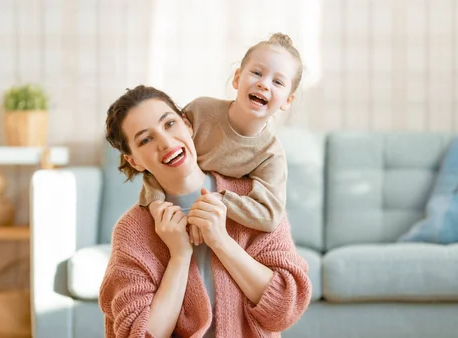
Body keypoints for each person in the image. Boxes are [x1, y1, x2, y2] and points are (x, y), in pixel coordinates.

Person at [99, 85, 311, 337]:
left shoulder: (253, 202)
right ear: (134, 160)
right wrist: (179, 255)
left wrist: (221, 241)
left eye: (169, 124)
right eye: (146, 139)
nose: (166, 142)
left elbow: (285, 309)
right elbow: (139, 334)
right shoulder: (133, 230)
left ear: (187, 124)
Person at [139, 33, 303, 245]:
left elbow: (270, 215)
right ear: (237, 78)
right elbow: (160, 154)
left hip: (213, 228)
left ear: (287, 100)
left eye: (277, 82)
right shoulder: (199, 111)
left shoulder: (270, 154)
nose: (264, 84)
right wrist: (153, 202)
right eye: (256, 72)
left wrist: (220, 200)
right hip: (170, 216)